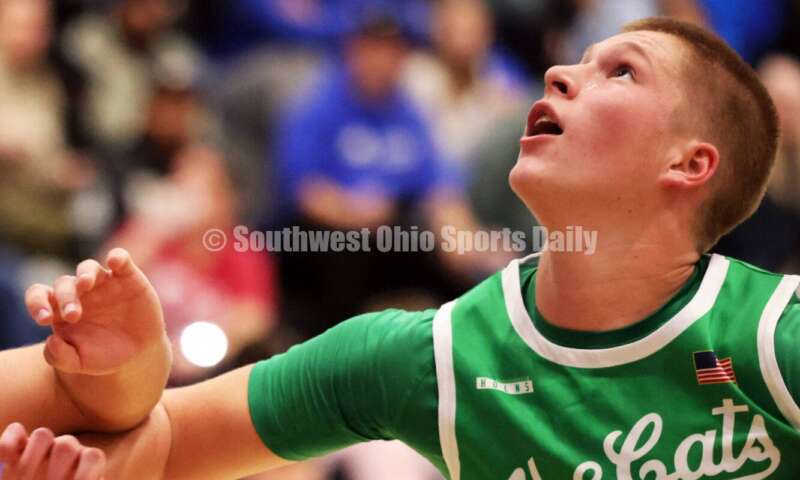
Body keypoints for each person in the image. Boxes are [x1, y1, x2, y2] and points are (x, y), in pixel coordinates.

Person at [3, 16, 800, 479]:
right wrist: (124, 381)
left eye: (621, 73)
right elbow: (165, 438)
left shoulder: (774, 339)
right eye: (575, 61)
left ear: (689, 163)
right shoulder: (428, 359)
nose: (559, 72)